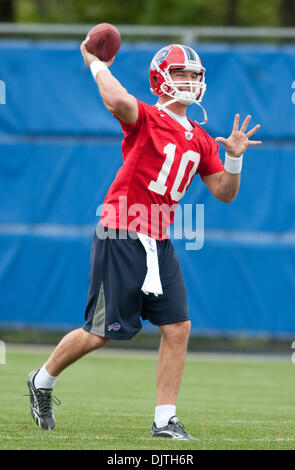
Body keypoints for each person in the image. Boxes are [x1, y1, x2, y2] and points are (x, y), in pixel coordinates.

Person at [27, 43, 261, 440]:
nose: (189, 81)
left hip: (159, 236)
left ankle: (164, 420)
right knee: (100, 331)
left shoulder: (201, 138)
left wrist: (235, 158)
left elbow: (224, 191)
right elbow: (117, 99)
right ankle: (43, 380)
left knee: (178, 326)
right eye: (181, 73)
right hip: (121, 230)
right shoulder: (148, 118)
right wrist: (96, 62)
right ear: (160, 79)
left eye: (194, 75)